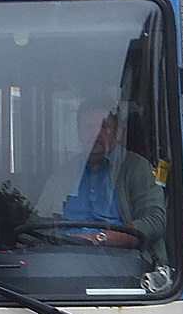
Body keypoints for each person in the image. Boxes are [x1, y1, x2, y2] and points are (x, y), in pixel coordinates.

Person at [35, 96, 166, 265]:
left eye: (104, 127)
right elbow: (38, 221)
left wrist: (99, 239)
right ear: (78, 131)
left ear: (118, 133)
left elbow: (155, 221)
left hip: (122, 266)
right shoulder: (63, 174)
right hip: (63, 261)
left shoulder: (136, 168)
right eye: (88, 127)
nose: (95, 133)